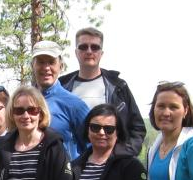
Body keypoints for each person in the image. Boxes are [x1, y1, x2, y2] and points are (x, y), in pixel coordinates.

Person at [59, 27, 146, 155]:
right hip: (72, 167)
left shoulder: (118, 87)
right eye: (83, 47)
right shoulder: (62, 86)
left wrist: (121, 155)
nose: (89, 51)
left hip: (111, 168)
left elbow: (137, 128)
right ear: (76, 52)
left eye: (94, 47)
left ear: (101, 53)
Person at [30, 40, 90, 161]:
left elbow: (92, 147)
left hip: (64, 177)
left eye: (52, 62)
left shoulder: (74, 104)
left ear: (61, 66)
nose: (46, 68)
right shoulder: (23, 103)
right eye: (41, 62)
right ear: (32, 66)